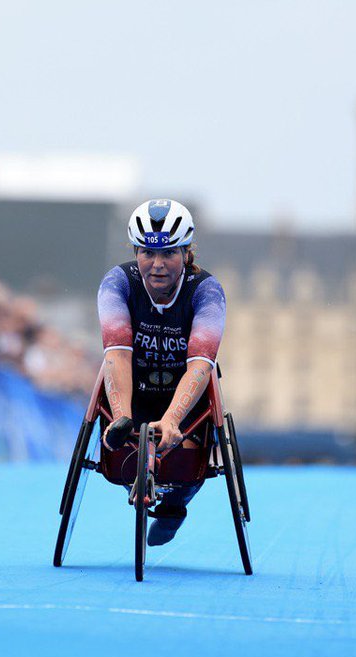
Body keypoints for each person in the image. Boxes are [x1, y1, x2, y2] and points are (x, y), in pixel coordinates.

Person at [96, 198, 226, 546]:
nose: (157, 265)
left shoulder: (207, 292)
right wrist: (121, 417)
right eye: (147, 254)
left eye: (168, 253)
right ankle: (137, 483)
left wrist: (171, 420)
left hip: (185, 395)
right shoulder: (117, 284)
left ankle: (175, 507)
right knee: (122, 449)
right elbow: (118, 355)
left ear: (186, 252)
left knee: (186, 468)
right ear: (136, 252)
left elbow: (201, 364)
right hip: (133, 386)